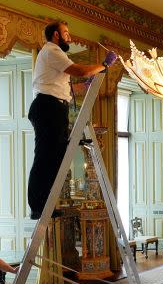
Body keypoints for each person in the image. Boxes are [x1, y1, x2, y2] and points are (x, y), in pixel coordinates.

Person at [27, 21, 118, 220]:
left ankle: (46, 205)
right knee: (44, 158)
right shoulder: (51, 50)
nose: (70, 36)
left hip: (55, 107)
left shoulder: (55, 56)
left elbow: (68, 89)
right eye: (66, 32)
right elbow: (80, 70)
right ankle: (37, 206)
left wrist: (85, 85)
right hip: (47, 107)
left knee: (55, 158)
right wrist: (103, 65)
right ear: (56, 35)